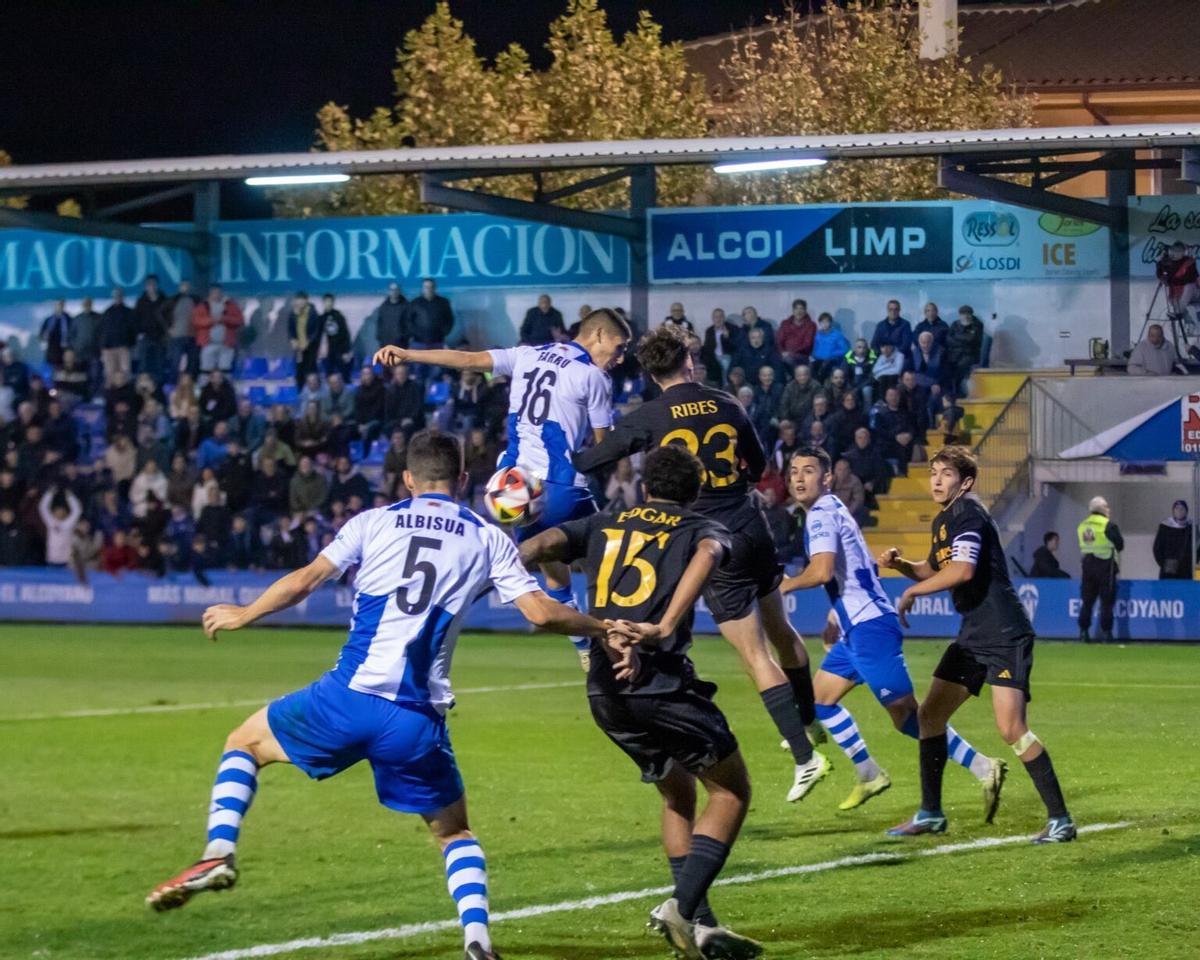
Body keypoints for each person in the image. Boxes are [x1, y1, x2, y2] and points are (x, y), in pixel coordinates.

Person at [145, 431, 622, 960]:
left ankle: (219, 850)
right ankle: (478, 941)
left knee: (246, 745)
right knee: (453, 832)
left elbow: (307, 580)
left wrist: (244, 613)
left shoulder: (372, 522)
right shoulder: (488, 539)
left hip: (346, 698)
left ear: (408, 479)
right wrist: (604, 629)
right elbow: (543, 613)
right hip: (414, 719)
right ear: (464, 481)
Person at [519, 445, 761, 960]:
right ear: (693, 492)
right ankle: (681, 908)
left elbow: (538, 545)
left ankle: (702, 927)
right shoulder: (699, 526)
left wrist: (503, 566)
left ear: (647, 486)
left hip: (605, 690)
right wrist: (663, 625)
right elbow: (708, 555)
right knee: (732, 791)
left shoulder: (602, 521)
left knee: (678, 796)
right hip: (660, 684)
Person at [572, 325, 828, 803]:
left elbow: (594, 459)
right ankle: (809, 720)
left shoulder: (649, 415)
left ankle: (804, 757)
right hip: (753, 523)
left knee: (754, 655)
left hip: (714, 535)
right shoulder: (729, 404)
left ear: (650, 372)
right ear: (689, 361)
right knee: (781, 631)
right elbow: (756, 464)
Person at [374, 308, 631, 668]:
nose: (620, 358)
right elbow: (606, 446)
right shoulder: (593, 376)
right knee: (609, 567)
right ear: (599, 335)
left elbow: (467, 359)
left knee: (553, 566)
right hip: (559, 486)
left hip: (513, 487)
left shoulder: (525, 354)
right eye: (619, 348)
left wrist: (409, 354)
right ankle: (618, 644)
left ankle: (582, 646)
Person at [781, 448, 1003, 814]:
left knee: (908, 717)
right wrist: (838, 614)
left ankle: (984, 766)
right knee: (819, 699)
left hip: (870, 629)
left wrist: (785, 586)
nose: (799, 478)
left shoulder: (820, 515)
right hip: (858, 626)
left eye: (808, 471)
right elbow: (860, 566)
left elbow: (822, 572)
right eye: (793, 472)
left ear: (827, 478)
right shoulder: (835, 508)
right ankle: (868, 772)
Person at [881, 446, 1075, 844]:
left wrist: (914, 591)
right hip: (973, 635)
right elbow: (932, 567)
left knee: (1011, 728)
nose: (936, 480)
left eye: (946, 474)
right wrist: (902, 566)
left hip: (1004, 634)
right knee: (930, 715)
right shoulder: (944, 520)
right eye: (933, 472)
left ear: (965, 482)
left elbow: (963, 570)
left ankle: (1061, 820)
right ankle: (931, 813)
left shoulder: (969, 513)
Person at [1077, 495, 1123, 643]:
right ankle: (1107, 633)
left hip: (1087, 566)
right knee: (1106, 602)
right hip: (1105, 567)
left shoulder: (1082, 526)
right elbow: (1120, 545)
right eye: (1107, 507)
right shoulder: (1109, 525)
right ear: (1103, 509)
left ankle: (1084, 632)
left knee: (1087, 601)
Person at [193, 285, 244, 374]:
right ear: (210, 294)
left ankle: (225, 387)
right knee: (206, 370)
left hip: (226, 344)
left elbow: (239, 320)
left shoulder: (231, 306)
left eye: (219, 293)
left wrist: (224, 319)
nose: (217, 295)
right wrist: (211, 321)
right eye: (214, 293)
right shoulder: (203, 306)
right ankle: (206, 387)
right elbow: (196, 321)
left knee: (225, 370)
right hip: (208, 344)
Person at [1155, 240, 1199, 327]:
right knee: (1174, 301)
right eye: (1173, 250)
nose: (1174, 254)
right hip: (1178, 294)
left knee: (1188, 287)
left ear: (1183, 252)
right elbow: (1160, 275)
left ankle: (1179, 312)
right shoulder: (1166, 262)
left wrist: (1172, 281)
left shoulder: (1189, 262)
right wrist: (1159, 264)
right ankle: (1188, 322)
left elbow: (1190, 278)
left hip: (1195, 293)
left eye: (1178, 251)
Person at [135, 274, 169, 383]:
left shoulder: (165, 300)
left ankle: (158, 388)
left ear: (157, 285)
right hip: (145, 337)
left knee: (159, 363)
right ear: (146, 286)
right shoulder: (141, 301)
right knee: (144, 364)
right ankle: (143, 388)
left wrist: (166, 333)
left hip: (160, 337)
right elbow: (136, 318)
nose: (152, 287)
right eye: (149, 285)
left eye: (154, 284)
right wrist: (139, 332)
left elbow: (169, 317)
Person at [100, 287, 137, 386]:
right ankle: (110, 397)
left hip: (124, 347)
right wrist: (103, 346)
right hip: (109, 348)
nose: (117, 297)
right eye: (115, 295)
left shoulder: (129, 312)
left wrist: (130, 344)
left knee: (125, 373)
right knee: (109, 374)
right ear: (113, 297)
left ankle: (126, 396)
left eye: (119, 295)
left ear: (123, 296)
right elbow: (101, 330)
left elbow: (134, 329)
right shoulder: (107, 312)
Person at [945, 306, 985, 396]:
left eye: (968, 314)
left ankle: (960, 393)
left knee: (960, 367)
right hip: (955, 354)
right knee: (946, 367)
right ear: (960, 316)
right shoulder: (955, 324)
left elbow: (971, 339)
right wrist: (962, 341)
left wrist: (956, 337)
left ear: (971, 315)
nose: (966, 316)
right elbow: (948, 339)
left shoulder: (977, 324)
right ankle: (951, 393)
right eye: (963, 314)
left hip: (970, 355)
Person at [38, 487, 83, 566]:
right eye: (57, 510)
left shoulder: (69, 523)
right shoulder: (50, 521)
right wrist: (49, 494)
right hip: (51, 559)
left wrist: (70, 497)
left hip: (66, 560)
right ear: (54, 512)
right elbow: (42, 508)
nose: (59, 513)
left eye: (61, 511)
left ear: (65, 512)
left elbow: (77, 510)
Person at [166, 279, 199, 383]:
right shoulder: (173, 300)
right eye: (183, 286)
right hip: (177, 336)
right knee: (175, 363)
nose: (186, 288)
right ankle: (172, 386)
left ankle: (191, 386)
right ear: (179, 287)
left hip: (192, 335)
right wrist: (168, 328)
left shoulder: (196, 299)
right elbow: (160, 313)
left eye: (187, 286)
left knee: (192, 363)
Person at [285, 292, 321, 387]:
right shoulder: (293, 314)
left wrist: (308, 341)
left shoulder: (312, 313)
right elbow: (290, 329)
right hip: (298, 349)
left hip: (310, 348)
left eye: (302, 300)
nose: (300, 302)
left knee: (311, 371)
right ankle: (301, 394)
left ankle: (315, 393)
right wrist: (292, 339)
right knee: (299, 372)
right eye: (298, 300)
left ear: (306, 300)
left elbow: (316, 331)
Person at [1153, 500, 1194, 580]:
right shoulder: (1165, 527)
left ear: (1186, 511)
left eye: (1182, 508)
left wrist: (1191, 563)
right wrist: (1165, 564)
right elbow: (1157, 548)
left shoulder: (1191, 527)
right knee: (1168, 590)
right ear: (1173, 511)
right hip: (1169, 568)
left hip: (1186, 568)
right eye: (1177, 508)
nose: (1179, 511)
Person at [699, 307, 740, 385]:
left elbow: (735, 347)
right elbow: (708, 347)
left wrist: (726, 338)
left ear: (724, 318)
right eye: (716, 317)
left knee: (725, 364)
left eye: (720, 316)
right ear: (713, 319)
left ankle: (726, 386)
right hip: (714, 356)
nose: (718, 319)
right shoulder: (709, 330)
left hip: (727, 356)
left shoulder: (732, 329)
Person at [319, 293, 353, 380]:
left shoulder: (339, 316)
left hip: (340, 351)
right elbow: (319, 336)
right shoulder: (321, 318)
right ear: (323, 303)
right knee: (329, 376)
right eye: (326, 302)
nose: (328, 304)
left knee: (344, 375)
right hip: (328, 353)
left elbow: (346, 334)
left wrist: (346, 351)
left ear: (333, 303)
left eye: (330, 302)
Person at [809, 313, 849, 383]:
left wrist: (831, 354)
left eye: (826, 322)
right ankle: (816, 385)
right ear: (820, 323)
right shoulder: (817, 334)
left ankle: (820, 385)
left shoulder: (837, 334)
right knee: (811, 366)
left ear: (830, 323)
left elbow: (845, 350)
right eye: (822, 322)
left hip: (833, 359)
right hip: (818, 359)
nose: (824, 324)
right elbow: (813, 348)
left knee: (825, 364)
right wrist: (812, 355)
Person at [776, 298, 816, 366]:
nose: (799, 311)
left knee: (788, 359)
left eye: (802, 309)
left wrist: (791, 353)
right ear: (793, 310)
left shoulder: (811, 325)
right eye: (796, 309)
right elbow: (779, 341)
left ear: (805, 311)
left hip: (802, 355)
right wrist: (782, 352)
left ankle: (795, 376)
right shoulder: (785, 323)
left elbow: (807, 344)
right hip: (785, 354)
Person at [375, 281, 409, 351]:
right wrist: (380, 337)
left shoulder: (407, 306)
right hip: (385, 343)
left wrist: (403, 336)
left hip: (401, 344)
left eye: (396, 289)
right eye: (392, 290)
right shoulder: (383, 307)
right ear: (389, 291)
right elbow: (380, 323)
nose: (394, 292)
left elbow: (409, 324)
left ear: (399, 291)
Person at [40, 299, 73, 368]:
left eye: (61, 305)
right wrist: (44, 336)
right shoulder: (49, 320)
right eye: (58, 305)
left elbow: (73, 334)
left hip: (64, 352)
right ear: (54, 306)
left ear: (64, 306)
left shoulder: (68, 319)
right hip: (51, 352)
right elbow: (41, 335)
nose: (59, 306)